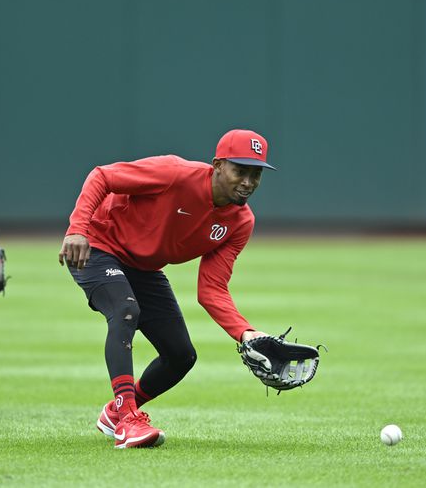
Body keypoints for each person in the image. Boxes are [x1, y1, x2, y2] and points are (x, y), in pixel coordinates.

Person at [58, 129, 276, 448]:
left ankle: (114, 414)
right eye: (239, 171)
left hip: (144, 267)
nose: (248, 182)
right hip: (98, 245)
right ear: (217, 165)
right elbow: (102, 176)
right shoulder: (175, 174)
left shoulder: (240, 222)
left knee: (181, 355)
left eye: (255, 174)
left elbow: (212, 289)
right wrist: (77, 229)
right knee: (125, 309)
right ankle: (127, 417)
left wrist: (246, 333)